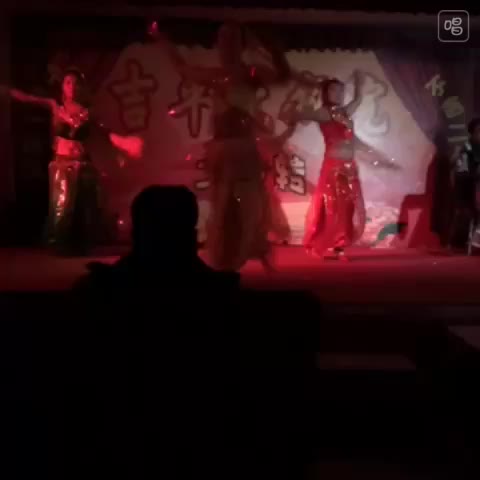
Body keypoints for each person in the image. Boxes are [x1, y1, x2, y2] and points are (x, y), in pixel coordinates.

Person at [151, 21, 291, 271]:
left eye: (232, 40)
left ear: (240, 45)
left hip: (243, 147)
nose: (227, 45)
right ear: (218, 45)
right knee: (223, 202)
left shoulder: (251, 74)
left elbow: (282, 76)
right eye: (223, 40)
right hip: (223, 149)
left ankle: (249, 245)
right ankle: (225, 255)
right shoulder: (215, 76)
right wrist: (163, 41)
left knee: (250, 201)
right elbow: (183, 69)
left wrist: (272, 50)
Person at [7, 68, 143, 255]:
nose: (72, 86)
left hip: (83, 164)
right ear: (63, 87)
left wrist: (124, 143)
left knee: (84, 206)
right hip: (62, 164)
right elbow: (28, 98)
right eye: (68, 82)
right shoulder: (56, 106)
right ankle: (57, 244)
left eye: (76, 83)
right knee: (62, 206)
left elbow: (105, 134)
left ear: (82, 88)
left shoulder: (88, 113)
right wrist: (7, 91)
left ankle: (81, 244)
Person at [448, 117, 480, 254]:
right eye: (479, 131)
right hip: (467, 191)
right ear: (472, 133)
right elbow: (462, 173)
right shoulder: (465, 150)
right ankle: (469, 243)